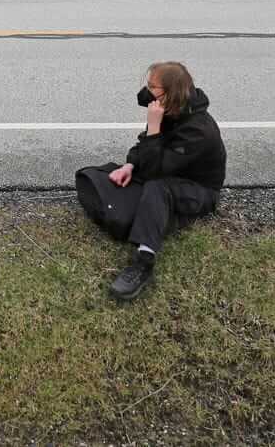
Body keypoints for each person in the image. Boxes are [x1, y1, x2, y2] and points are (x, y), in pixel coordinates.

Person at [75, 61, 226, 302]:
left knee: (156, 188)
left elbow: (156, 170)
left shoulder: (199, 131)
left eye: (152, 87)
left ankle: (143, 262)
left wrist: (154, 129)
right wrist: (130, 165)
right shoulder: (171, 109)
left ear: (171, 92)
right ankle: (155, 215)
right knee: (99, 176)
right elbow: (145, 145)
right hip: (168, 171)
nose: (147, 91)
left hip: (199, 189)